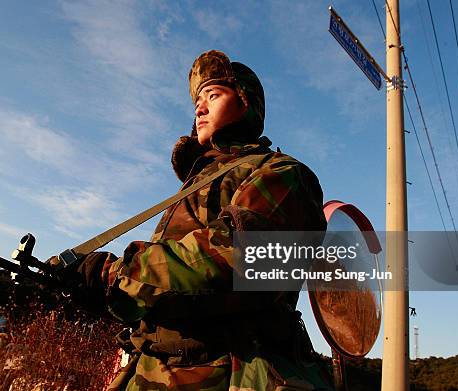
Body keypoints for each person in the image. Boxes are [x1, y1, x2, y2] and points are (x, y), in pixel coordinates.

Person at [49, 50, 332, 390]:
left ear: (247, 103)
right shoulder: (197, 184)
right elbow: (168, 293)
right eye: (198, 99)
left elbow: (236, 259)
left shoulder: (283, 173)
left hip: (228, 373)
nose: (200, 107)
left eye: (214, 94)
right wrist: (96, 291)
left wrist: (113, 275)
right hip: (154, 370)